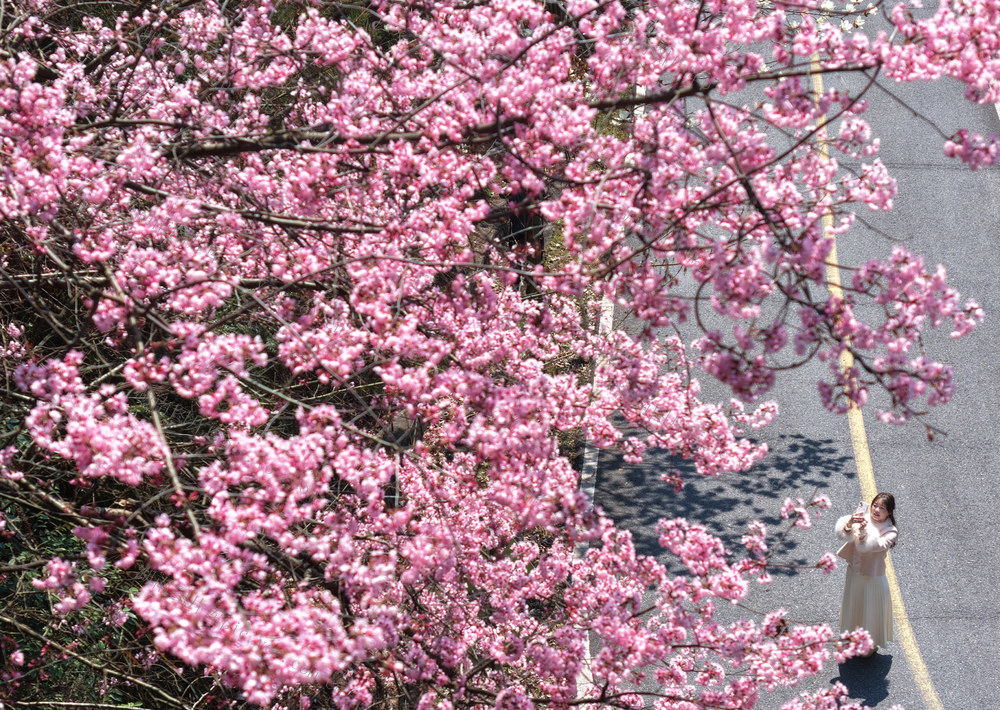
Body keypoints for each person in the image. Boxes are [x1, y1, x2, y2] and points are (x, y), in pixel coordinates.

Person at [835, 492, 898, 657]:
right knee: (853, 606)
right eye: (875, 505)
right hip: (854, 574)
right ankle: (850, 639)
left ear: (889, 512)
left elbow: (877, 546)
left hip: (873, 578)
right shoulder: (863, 518)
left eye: (882, 508)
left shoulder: (891, 531)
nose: (876, 510)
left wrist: (863, 533)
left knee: (870, 611)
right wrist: (849, 523)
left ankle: (868, 646)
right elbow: (845, 534)